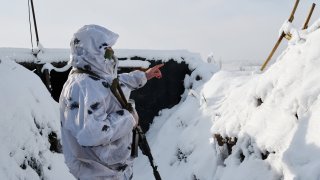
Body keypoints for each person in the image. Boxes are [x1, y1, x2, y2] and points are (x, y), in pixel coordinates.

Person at [59, 24, 163, 180]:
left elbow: (112, 85)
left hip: (111, 171)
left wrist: (143, 76)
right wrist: (129, 118)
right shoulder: (83, 87)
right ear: (92, 51)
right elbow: (92, 133)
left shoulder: (91, 78)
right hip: (99, 174)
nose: (112, 54)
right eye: (106, 49)